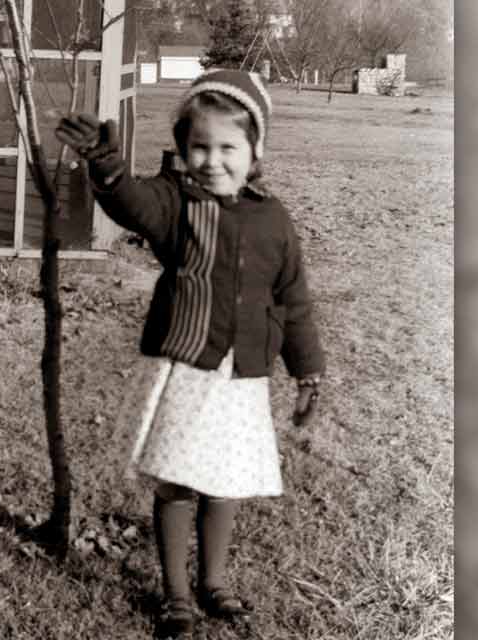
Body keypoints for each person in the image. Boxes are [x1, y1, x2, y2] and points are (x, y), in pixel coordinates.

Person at [55, 69, 325, 637]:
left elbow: (293, 298)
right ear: (182, 149)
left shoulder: (274, 221)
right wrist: (105, 163)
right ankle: (176, 593)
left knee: (224, 480)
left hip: (241, 378)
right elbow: (132, 205)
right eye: (198, 146)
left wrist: (308, 372)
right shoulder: (174, 204)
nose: (211, 160)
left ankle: (214, 581)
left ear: (255, 152)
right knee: (177, 481)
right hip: (185, 369)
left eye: (228, 147)